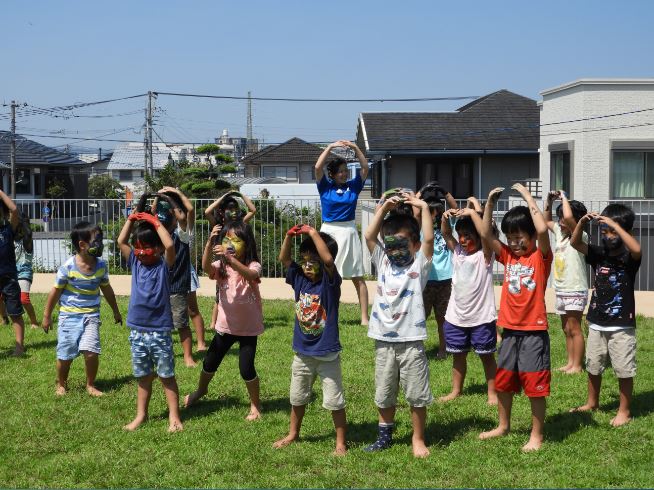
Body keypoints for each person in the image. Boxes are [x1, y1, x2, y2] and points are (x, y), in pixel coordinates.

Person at [477, 184, 552, 452]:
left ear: (530, 237)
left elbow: (542, 230)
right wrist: (488, 204)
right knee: (504, 382)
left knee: (535, 385)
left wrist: (528, 197)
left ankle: (536, 435)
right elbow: (485, 233)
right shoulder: (508, 257)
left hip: (534, 332)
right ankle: (503, 425)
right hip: (509, 330)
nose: (514, 243)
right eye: (510, 237)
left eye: (520, 237)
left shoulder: (540, 257)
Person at [363, 192, 434, 458]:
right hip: (384, 340)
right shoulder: (382, 262)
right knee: (384, 391)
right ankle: (384, 436)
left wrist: (424, 207)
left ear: (414, 245)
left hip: (411, 341)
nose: (395, 251)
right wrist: (382, 209)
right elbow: (370, 237)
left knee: (416, 393)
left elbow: (429, 237)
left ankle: (418, 438)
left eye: (402, 244)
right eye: (390, 245)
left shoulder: (419, 267)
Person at [273, 224, 347, 455]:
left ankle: (340, 442)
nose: (306, 265)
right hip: (303, 354)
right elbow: (284, 259)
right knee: (297, 397)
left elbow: (327, 260)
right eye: (304, 260)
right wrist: (287, 236)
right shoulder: (299, 280)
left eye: (312, 261)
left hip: (327, 355)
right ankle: (294, 433)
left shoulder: (329, 281)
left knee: (335, 401)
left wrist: (314, 233)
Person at [185, 220, 264, 421]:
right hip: (225, 327)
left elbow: (251, 274)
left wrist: (230, 259)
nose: (229, 243)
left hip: (248, 329)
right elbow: (205, 268)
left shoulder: (252, 264)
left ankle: (255, 405)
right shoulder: (221, 266)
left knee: (246, 369)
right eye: (227, 239)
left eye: (235, 240)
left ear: (247, 244)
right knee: (210, 362)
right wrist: (209, 245)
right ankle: (201, 391)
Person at [569, 204, 641, 427]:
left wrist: (614, 226)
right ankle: (592, 402)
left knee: (623, 369)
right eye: (605, 231)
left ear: (625, 232)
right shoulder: (599, 254)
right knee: (593, 365)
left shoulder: (630, 258)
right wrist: (581, 223)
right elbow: (575, 243)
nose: (608, 236)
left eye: (612, 231)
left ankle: (624, 410)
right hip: (597, 322)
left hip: (621, 325)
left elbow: (637, 249)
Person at [117, 210, 183, 432]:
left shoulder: (164, 266)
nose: (142, 252)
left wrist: (155, 222)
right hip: (137, 331)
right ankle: (141, 415)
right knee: (143, 376)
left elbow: (171, 246)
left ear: (158, 249)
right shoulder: (135, 263)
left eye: (147, 247)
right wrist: (131, 220)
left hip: (159, 331)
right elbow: (121, 241)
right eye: (139, 247)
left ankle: (174, 417)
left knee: (166, 375)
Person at [42, 222, 122, 396]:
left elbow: (107, 289)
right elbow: (55, 292)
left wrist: (116, 311)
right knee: (65, 355)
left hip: (91, 316)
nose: (100, 244)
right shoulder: (68, 267)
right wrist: (47, 315)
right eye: (97, 240)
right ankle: (61, 384)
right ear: (82, 244)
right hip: (68, 317)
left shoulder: (100, 266)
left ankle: (90, 385)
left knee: (91, 352)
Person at [438, 199, 498, 405]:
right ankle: (456, 390)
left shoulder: (485, 255)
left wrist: (474, 214)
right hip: (456, 316)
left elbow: (485, 235)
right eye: (461, 236)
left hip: (481, 317)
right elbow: (446, 233)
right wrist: (445, 218)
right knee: (457, 356)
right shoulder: (457, 253)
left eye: (468, 237)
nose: (462, 240)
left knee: (486, 356)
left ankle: (492, 393)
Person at [316, 140, 369, 326]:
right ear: (332, 174)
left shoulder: (353, 186)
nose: (344, 174)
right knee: (326, 275)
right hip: (329, 231)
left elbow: (364, 167)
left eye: (346, 170)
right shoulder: (325, 186)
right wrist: (329, 148)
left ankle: (364, 317)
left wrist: (355, 148)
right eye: (340, 171)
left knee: (357, 276)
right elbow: (317, 167)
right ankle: (326, 315)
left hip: (349, 231)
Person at [544, 190, 589, 374]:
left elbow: (571, 220)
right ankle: (570, 362)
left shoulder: (581, 236)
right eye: (559, 218)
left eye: (563, 218)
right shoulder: (560, 235)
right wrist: (548, 201)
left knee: (575, 328)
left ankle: (577, 365)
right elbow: (546, 221)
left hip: (575, 288)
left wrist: (563, 197)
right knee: (566, 328)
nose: (561, 221)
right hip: (561, 288)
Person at [416, 181, 459, 360]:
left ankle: (443, 348)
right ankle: (417, 349)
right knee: (420, 317)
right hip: (425, 281)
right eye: (431, 215)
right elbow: (416, 210)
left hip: (445, 280)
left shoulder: (446, 229)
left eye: (437, 214)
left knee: (442, 318)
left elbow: (455, 208)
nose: (434, 218)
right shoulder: (420, 231)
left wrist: (445, 192)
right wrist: (422, 191)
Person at [155, 188, 197, 367]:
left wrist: (174, 193)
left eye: (169, 212)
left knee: (181, 323)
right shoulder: (157, 231)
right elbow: (151, 214)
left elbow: (188, 212)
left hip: (177, 285)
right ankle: (163, 353)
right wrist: (158, 198)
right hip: (158, 286)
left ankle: (188, 356)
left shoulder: (182, 233)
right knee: (160, 323)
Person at [205, 191, 256, 331]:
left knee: (232, 292)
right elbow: (207, 211)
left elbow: (253, 210)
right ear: (222, 212)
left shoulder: (241, 224)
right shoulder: (218, 225)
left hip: (238, 264)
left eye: (236, 209)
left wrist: (240, 195)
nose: (234, 212)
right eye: (230, 209)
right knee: (220, 294)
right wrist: (224, 197)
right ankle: (214, 323)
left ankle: (221, 321)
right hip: (220, 264)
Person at [0, 189, 26, 356]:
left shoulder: (8, 230)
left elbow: (14, 209)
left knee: (15, 313)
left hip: (8, 278)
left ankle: (19, 346)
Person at [14, 213, 39, 329]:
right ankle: (3, 318)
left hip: (24, 272)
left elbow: (28, 233)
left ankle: (34, 322)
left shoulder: (27, 240)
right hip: (10, 271)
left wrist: (22, 221)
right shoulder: (10, 238)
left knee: (23, 299)